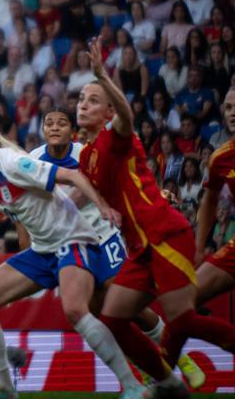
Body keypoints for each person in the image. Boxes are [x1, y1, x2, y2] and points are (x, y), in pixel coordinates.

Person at [0, 111, 149, 399]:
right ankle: (2, 386)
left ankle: (132, 386)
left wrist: (102, 206)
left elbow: (73, 174)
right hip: (43, 250)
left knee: (77, 309)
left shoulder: (13, 163)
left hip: (74, 239)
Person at [77, 42, 235, 395]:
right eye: (80, 100)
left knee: (184, 319)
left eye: (92, 99)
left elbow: (127, 116)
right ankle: (168, 383)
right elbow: (80, 194)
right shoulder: (86, 155)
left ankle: (164, 383)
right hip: (140, 247)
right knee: (113, 319)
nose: (83, 104)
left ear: (107, 113)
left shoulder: (114, 135)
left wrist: (104, 76)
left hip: (163, 232)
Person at [21, 108, 203, 388]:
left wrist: (157, 194)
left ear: (72, 130)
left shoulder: (86, 153)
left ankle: (182, 360)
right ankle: (146, 370)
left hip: (102, 234)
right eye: (49, 123)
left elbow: (124, 177)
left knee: (122, 300)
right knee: (100, 315)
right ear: (43, 130)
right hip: (70, 244)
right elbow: (25, 207)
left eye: (62, 123)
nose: (55, 127)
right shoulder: (32, 161)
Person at [194, 88, 235, 305]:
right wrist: (199, 247)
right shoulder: (221, 157)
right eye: (228, 108)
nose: (233, 113)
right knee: (189, 295)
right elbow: (209, 200)